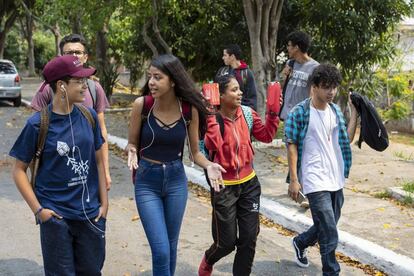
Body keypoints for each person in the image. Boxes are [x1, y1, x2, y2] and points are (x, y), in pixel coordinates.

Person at [126, 54, 225, 276]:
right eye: (149, 76)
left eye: (157, 77)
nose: (151, 82)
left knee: (170, 247)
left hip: (176, 181)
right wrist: (132, 151)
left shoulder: (188, 110)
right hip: (147, 183)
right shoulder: (142, 106)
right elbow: (132, 142)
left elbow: (196, 153)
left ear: (172, 81)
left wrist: (208, 165)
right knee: (161, 250)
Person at [10, 55, 108, 275]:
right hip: (56, 220)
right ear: (61, 86)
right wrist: (40, 211)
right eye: (79, 81)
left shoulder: (89, 116)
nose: (86, 86)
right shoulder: (38, 124)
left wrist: (105, 205)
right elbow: (18, 171)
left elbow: (99, 160)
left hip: (91, 217)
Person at [198, 74, 280, 276]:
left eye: (239, 89)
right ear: (221, 95)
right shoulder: (212, 118)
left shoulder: (248, 114)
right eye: (234, 90)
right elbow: (213, 145)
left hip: (249, 184)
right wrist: (209, 115)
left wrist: (272, 113)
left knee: (249, 238)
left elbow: (267, 136)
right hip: (223, 185)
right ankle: (209, 258)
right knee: (225, 243)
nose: (240, 93)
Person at [284, 64, 357, 276]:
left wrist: (354, 114)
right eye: (326, 87)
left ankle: (301, 242)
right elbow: (291, 145)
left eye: (334, 87)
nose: (331, 92)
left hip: (335, 176)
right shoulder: (300, 112)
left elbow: (348, 138)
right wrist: (294, 180)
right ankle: (331, 271)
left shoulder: (334, 110)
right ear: (314, 86)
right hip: (314, 178)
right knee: (329, 231)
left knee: (328, 224)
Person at [31, 33, 112, 190]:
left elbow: (102, 131)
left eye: (78, 52)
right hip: (56, 174)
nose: (74, 56)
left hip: (87, 172)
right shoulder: (48, 88)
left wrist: (106, 172)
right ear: (61, 56)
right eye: (69, 53)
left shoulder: (95, 89)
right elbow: (36, 133)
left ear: (86, 57)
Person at [279, 30, 319, 121]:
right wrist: (283, 75)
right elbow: (280, 86)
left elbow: (314, 95)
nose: (287, 48)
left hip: (300, 118)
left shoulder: (315, 67)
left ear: (296, 47)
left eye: (289, 45)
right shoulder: (290, 63)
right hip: (285, 116)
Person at [216, 44, 258, 110]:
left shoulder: (247, 73)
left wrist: (248, 114)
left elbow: (252, 99)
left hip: (242, 114)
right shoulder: (222, 72)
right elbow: (215, 92)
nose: (223, 58)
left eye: (225, 55)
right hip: (224, 113)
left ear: (232, 56)